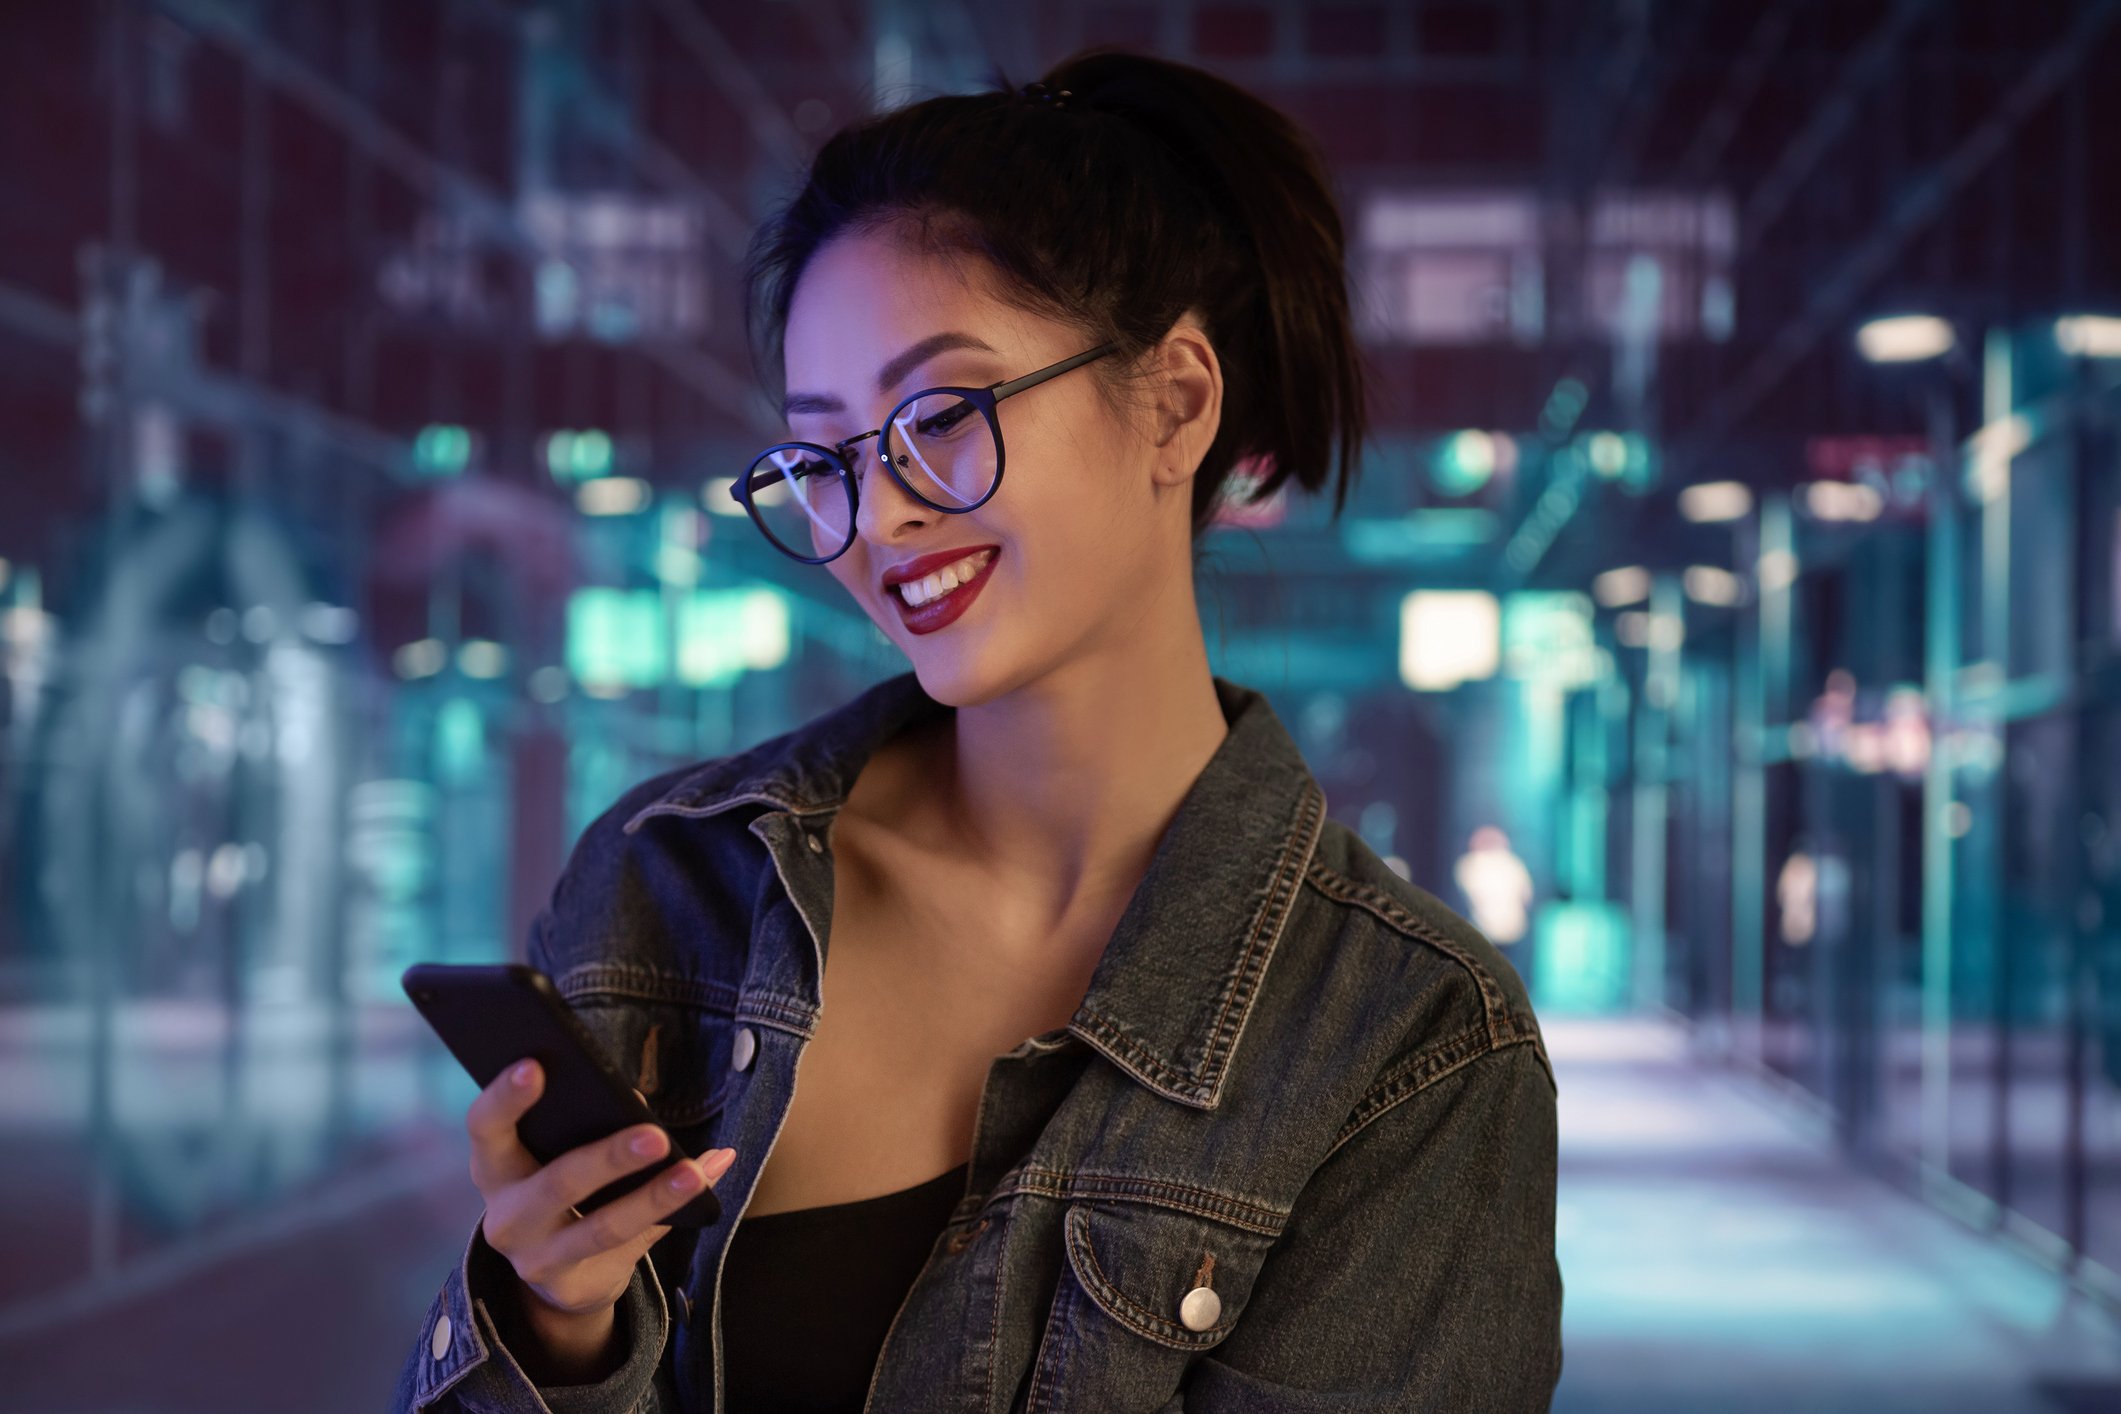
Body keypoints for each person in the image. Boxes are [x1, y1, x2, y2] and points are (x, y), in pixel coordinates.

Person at [392, 46, 1561, 1414]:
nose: (878, 517)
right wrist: (556, 1322)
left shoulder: (1402, 1046)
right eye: (823, 456)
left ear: (1178, 401)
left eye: (939, 416)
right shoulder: (678, 886)